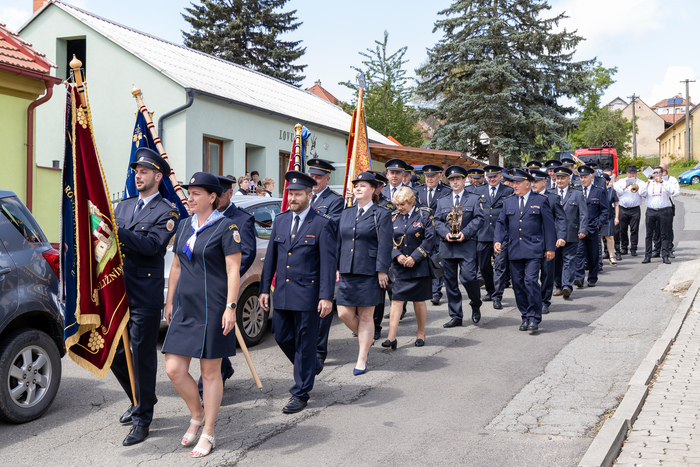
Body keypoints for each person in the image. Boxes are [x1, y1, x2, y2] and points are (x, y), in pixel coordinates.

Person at [162, 172, 241, 458]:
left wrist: (231, 307)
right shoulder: (184, 225)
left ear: (212, 197)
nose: (189, 198)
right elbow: (177, 266)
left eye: (196, 193)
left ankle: (208, 431)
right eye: (189, 193)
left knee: (209, 371)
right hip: (186, 307)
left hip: (213, 307)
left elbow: (233, 270)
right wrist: (170, 300)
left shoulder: (226, 226)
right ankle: (197, 413)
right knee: (173, 368)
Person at [112, 148, 180, 447]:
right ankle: (139, 399)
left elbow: (152, 246)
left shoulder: (167, 211)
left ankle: (143, 419)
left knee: (141, 356)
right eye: (136, 172)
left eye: (144, 172)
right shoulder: (124, 206)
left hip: (143, 293)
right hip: (117, 291)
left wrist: (116, 231)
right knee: (114, 352)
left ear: (157, 176)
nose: (138, 176)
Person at [259, 171, 336, 414]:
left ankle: (300, 392)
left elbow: (328, 264)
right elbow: (271, 258)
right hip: (282, 292)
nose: (292, 198)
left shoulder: (322, 224)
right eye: (290, 193)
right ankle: (311, 364)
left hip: (308, 295)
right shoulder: (281, 220)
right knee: (281, 335)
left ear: (309, 195)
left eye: (298, 194)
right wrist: (264, 289)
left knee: (304, 343)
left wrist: (326, 296)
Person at [194, 175, 256, 400]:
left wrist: (226, 277)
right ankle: (225, 367)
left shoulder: (241, 219)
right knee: (210, 331)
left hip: (223, 286)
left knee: (214, 334)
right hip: (201, 286)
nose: (215, 199)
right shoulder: (202, 217)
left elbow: (247, 254)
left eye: (219, 195)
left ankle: (206, 389)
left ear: (229, 193)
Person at [337, 172, 392, 375]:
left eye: (363, 185)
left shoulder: (381, 213)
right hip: (347, 269)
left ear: (373, 189)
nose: (358, 188)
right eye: (356, 185)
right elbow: (339, 241)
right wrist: (336, 266)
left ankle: (362, 358)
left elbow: (385, 244)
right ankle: (367, 338)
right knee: (343, 313)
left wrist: (382, 270)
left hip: (369, 271)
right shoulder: (346, 212)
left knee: (366, 315)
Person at [494, 168, 556, 331]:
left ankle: (534, 317)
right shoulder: (508, 202)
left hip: (534, 249)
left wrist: (550, 248)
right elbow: (501, 223)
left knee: (530, 281)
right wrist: (498, 240)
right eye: (513, 183)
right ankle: (525, 316)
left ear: (527, 184)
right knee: (518, 284)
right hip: (515, 249)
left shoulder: (540, 200)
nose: (514, 185)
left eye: (518, 183)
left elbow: (549, 226)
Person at [382, 187, 434, 349]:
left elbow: (430, 239)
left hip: (419, 266)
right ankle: (391, 337)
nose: (399, 208)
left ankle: (420, 333)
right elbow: (386, 240)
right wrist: (397, 255)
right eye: (397, 204)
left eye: (403, 204)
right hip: (400, 266)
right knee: (396, 300)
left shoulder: (424, 214)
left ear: (411, 202)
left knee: (418, 301)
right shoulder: (392, 217)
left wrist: (415, 257)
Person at [433, 165, 484, 328]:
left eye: (458, 179)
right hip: (447, 246)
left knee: (468, 278)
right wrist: (445, 233)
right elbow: (437, 221)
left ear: (464, 180)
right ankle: (456, 316)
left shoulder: (473, 199)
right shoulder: (442, 200)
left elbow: (479, 219)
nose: (455, 182)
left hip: (466, 245)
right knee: (450, 283)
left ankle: (475, 303)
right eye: (452, 180)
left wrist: (465, 233)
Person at [306, 158, 344, 371]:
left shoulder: (334, 200)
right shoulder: (304, 196)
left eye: (318, 177)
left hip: (324, 259)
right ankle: (306, 348)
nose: (314, 180)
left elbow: (330, 225)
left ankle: (320, 351)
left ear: (327, 179)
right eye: (311, 176)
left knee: (323, 307)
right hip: (304, 260)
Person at [474, 165, 513, 310]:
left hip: (501, 234)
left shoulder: (508, 191)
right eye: (489, 177)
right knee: (484, 265)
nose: (492, 179)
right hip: (483, 234)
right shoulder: (479, 191)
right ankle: (490, 290)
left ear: (500, 177)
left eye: (494, 176)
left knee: (500, 266)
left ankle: (497, 296)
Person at [529, 169, 567, 315]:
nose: (533, 184)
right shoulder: (527, 197)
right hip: (529, 241)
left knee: (547, 273)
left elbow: (561, 218)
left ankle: (545, 301)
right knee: (530, 275)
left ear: (544, 182)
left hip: (547, 242)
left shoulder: (553, 198)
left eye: (536, 182)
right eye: (531, 182)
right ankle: (532, 299)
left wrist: (561, 236)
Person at [415, 164, 450, 305]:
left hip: (439, 232)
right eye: (427, 176)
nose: (429, 179)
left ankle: (436, 293)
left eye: (432, 176)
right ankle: (425, 289)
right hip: (422, 232)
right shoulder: (418, 190)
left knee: (437, 261)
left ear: (439, 176)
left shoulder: (446, 191)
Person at [552, 166, 588, 300]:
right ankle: (558, 286)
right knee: (556, 261)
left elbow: (583, 214)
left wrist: (583, 229)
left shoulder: (577, 194)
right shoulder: (550, 194)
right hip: (554, 234)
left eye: (562, 178)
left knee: (569, 260)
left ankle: (567, 286)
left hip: (571, 233)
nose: (559, 181)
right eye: (558, 178)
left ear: (569, 179)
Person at [574, 165, 609, 288]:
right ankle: (579, 278)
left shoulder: (599, 191)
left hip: (592, 227)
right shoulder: (576, 191)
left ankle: (592, 278)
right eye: (581, 177)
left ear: (591, 177)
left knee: (592, 254)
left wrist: (599, 224)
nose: (583, 180)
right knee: (579, 254)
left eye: (585, 177)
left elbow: (605, 210)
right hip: (579, 228)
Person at [639, 166, 679, 264]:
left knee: (664, 234)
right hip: (651, 211)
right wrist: (648, 182)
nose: (655, 174)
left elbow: (672, 192)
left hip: (663, 211)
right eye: (654, 173)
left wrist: (661, 182)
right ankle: (647, 256)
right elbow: (641, 193)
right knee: (649, 234)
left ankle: (665, 255)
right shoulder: (649, 184)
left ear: (661, 173)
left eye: (657, 173)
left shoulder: (666, 183)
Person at [613, 165, 645, 259]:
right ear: (627, 173)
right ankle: (624, 247)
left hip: (635, 209)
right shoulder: (621, 181)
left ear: (636, 173)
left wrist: (638, 188)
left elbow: (644, 194)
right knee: (622, 229)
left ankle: (633, 248)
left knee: (634, 229)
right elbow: (617, 193)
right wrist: (625, 186)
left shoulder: (641, 182)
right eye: (630, 173)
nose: (632, 175)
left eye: (634, 173)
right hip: (623, 208)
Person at [652, 164, 680, 258]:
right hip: (656, 207)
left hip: (668, 206)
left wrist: (665, 184)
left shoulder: (671, 180)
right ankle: (657, 249)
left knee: (667, 229)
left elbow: (676, 192)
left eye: (661, 171)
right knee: (656, 229)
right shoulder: (653, 180)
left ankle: (669, 249)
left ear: (665, 171)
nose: (658, 173)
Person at [601, 173, 619, 266]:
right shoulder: (596, 190)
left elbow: (616, 205)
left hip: (608, 216)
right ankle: (600, 258)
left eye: (604, 180)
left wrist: (616, 217)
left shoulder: (611, 191)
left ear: (608, 181)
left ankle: (611, 257)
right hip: (598, 217)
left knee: (610, 237)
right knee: (599, 238)